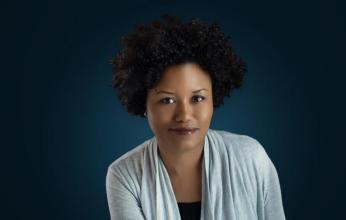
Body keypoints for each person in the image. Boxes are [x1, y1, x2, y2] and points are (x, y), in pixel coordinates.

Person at [106, 14, 286, 220]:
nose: (184, 115)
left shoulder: (251, 157)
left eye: (198, 98)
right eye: (167, 100)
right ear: (144, 105)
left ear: (213, 100)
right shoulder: (125, 175)